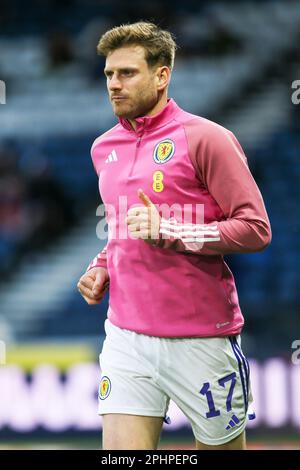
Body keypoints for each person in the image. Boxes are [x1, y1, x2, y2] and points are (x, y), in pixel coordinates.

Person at [77, 22, 271, 450]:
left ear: (162, 75)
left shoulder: (208, 139)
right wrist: (101, 267)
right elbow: (121, 232)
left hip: (200, 338)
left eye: (127, 73)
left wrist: (171, 230)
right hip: (126, 335)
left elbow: (256, 228)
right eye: (109, 74)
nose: (114, 84)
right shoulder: (102, 147)